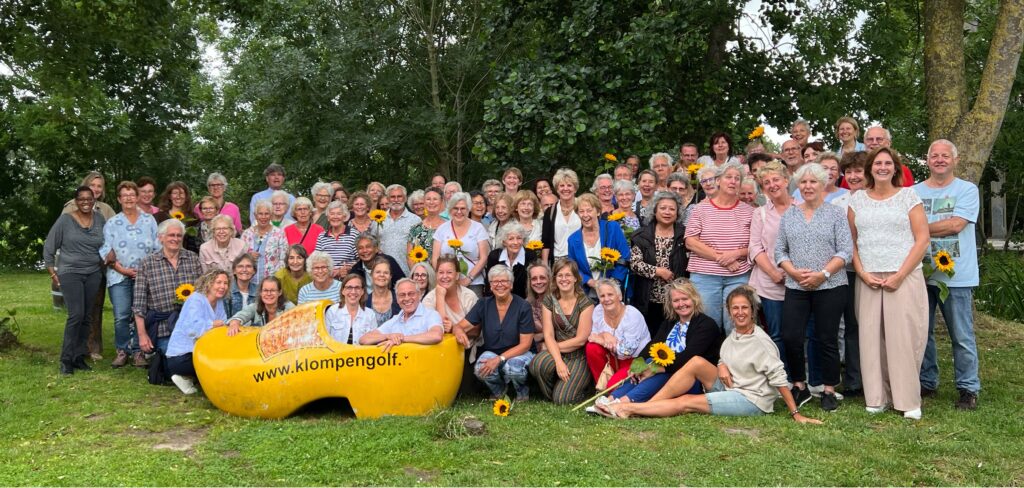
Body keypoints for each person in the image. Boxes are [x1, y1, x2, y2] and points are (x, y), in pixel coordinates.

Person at [598, 286, 820, 424]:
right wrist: (721, 365)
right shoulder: (734, 334)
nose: (740, 313)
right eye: (735, 308)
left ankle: (630, 408)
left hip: (750, 397)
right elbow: (723, 356)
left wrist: (795, 413)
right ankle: (637, 405)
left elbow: (778, 376)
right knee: (695, 362)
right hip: (730, 385)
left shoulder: (761, 341)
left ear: (753, 311)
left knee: (686, 402)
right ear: (729, 312)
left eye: (745, 308)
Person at [848, 147, 930, 420]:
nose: (882, 167)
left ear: (895, 168)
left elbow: (922, 239)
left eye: (887, 163)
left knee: (903, 338)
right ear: (870, 168)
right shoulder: (857, 200)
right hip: (869, 278)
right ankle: (876, 397)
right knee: (870, 338)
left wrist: (900, 275)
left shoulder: (908, 196)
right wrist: (862, 273)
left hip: (903, 276)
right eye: (877, 163)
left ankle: (907, 399)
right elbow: (852, 242)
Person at [775, 163, 853, 412]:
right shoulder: (790, 215)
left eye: (813, 182)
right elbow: (780, 250)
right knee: (791, 335)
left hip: (831, 285)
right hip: (796, 285)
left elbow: (846, 251)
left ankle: (828, 389)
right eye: (803, 182)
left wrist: (823, 274)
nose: (808, 186)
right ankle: (799, 385)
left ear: (823, 184)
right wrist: (793, 272)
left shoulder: (836, 214)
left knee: (826, 337)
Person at [914, 139, 981, 410]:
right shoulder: (914, 191)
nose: (939, 160)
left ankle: (968, 387)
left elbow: (956, 225)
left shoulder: (967, 190)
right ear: (927, 160)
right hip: (919, 273)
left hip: (957, 277)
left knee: (961, 335)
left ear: (955, 160)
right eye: (934, 156)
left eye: (945, 156)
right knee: (923, 333)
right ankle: (927, 381)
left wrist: (918, 227)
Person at [597, 279, 723, 407]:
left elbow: (688, 358)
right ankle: (611, 399)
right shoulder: (670, 322)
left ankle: (624, 403)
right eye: (676, 300)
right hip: (669, 373)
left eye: (685, 299)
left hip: (692, 380)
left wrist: (656, 369)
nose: (681, 304)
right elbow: (653, 345)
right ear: (671, 303)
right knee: (646, 363)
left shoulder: (706, 325)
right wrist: (637, 365)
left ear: (694, 299)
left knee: (660, 368)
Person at [684, 163, 754, 333]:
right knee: (707, 325)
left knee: (737, 324)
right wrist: (722, 258)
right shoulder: (700, 209)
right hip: (705, 276)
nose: (733, 181)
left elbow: (757, 245)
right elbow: (690, 242)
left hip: (738, 276)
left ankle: (736, 352)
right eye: (728, 177)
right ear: (718, 181)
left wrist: (736, 253)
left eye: (737, 178)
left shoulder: (750, 211)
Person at [45, 186, 107, 374]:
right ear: (76, 201)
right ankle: (66, 359)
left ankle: (79, 357)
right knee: (76, 315)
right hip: (70, 272)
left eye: (89, 198)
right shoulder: (65, 220)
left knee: (87, 316)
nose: (86, 202)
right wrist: (52, 272)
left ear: (94, 200)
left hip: (93, 273)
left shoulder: (100, 219)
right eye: (81, 199)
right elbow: (49, 246)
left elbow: (106, 243)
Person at [452, 265, 536, 400]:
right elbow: (459, 326)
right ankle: (499, 391)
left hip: (520, 353)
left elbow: (525, 345)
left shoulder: (523, 306)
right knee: (480, 368)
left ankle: (522, 392)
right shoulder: (483, 304)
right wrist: (458, 330)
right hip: (494, 352)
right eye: (495, 281)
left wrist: (499, 359)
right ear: (490, 286)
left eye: (504, 281)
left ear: (511, 285)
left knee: (513, 367)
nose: (499, 285)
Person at [101, 181, 161, 368]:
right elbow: (106, 249)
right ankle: (122, 351)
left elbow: (157, 247)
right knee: (121, 315)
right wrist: (121, 269)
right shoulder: (112, 223)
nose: (128, 198)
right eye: (124, 195)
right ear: (119, 199)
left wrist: (146, 271)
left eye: (132, 195)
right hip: (118, 275)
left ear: (137, 197)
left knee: (140, 313)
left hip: (144, 276)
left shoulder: (149, 220)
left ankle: (138, 352)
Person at [528, 259, 595, 405]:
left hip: (578, 356)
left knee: (563, 400)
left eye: (568, 275)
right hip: (558, 353)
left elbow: (581, 340)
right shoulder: (549, 300)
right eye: (560, 275)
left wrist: (550, 347)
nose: (564, 279)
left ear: (575, 278)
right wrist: (558, 361)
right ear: (555, 279)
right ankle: (556, 391)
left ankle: (578, 390)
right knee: (538, 364)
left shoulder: (586, 303)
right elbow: (548, 334)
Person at [133, 219, 203, 355]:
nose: (175, 239)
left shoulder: (193, 259)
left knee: (192, 359)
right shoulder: (148, 263)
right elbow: (138, 304)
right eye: (171, 235)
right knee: (173, 360)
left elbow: (202, 294)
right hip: (163, 329)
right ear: (161, 238)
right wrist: (142, 335)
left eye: (179, 235)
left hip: (190, 327)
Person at [747, 161, 792, 358]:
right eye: (766, 182)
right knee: (776, 334)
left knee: (800, 333)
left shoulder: (802, 208)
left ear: (786, 180)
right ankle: (781, 373)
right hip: (770, 283)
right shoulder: (761, 213)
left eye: (776, 180)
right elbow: (755, 247)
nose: (772, 185)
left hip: (799, 282)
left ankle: (802, 373)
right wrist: (774, 273)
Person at [630, 192, 688, 336]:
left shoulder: (685, 235)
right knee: (651, 337)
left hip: (677, 300)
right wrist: (658, 271)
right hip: (648, 299)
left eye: (672, 209)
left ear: (677, 213)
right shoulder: (641, 235)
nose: (667, 212)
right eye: (663, 208)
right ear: (655, 210)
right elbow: (635, 264)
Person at [165, 269, 229, 394]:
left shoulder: (219, 301)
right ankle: (185, 376)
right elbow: (193, 329)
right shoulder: (196, 299)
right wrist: (212, 324)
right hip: (182, 356)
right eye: (218, 282)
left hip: (202, 350)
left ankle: (189, 378)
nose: (222, 286)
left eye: (225, 283)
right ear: (208, 283)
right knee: (218, 365)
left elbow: (223, 325)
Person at [585, 279, 651, 390]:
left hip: (634, 360)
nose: (606, 299)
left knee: (613, 386)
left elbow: (627, 351)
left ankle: (610, 389)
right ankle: (601, 385)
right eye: (602, 296)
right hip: (613, 357)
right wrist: (604, 334)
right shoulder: (598, 311)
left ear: (619, 296)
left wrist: (603, 341)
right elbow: (592, 337)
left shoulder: (632, 315)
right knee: (592, 348)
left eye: (610, 294)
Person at [566, 193, 630, 297]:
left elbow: (625, 257)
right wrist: (589, 281)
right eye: (581, 211)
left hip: (614, 290)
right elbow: (573, 267)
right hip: (586, 293)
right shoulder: (573, 239)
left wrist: (612, 283)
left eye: (589, 210)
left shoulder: (612, 228)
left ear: (598, 211)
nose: (585, 215)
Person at [360, 279, 444, 353]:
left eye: (411, 294)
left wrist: (402, 338)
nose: (407, 298)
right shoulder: (395, 320)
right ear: (397, 299)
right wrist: (388, 336)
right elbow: (364, 339)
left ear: (419, 295)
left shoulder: (431, 315)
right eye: (402, 295)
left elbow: (436, 335)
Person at [432, 192, 490, 296]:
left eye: (463, 208)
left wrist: (469, 279)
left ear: (468, 209)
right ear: (450, 210)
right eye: (455, 208)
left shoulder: (478, 228)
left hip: (473, 283)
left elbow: (484, 258)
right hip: (447, 282)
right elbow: (435, 258)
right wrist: (444, 277)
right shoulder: (442, 229)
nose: (459, 212)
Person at [374, 184, 421, 276]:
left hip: (406, 271)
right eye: (392, 197)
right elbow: (373, 242)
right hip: (383, 272)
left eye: (399, 196)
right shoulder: (378, 219)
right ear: (388, 199)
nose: (396, 200)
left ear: (405, 198)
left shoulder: (415, 220)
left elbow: (419, 247)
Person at [484, 222, 538, 299]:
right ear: (504, 242)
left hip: (523, 300)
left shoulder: (530, 256)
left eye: (519, 238)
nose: (515, 242)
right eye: (511, 239)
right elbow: (489, 283)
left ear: (523, 240)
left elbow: (531, 285)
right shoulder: (494, 256)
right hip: (498, 299)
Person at [241, 199, 289, 284]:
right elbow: (240, 257)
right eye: (260, 214)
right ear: (255, 215)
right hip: (249, 282)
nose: (263, 217)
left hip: (272, 282)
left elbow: (284, 259)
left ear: (271, 215)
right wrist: (248, 256)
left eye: (266, 214)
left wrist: (277, 280)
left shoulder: (279, 234)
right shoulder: (247, 234)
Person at [226, 276, 295, 334]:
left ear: (279, 292)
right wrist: (235, 323)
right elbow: (240, 315)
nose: (269, 294)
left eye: (272, 290)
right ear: (261, 293)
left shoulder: (289, 308)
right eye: (265, 290)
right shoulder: (255, 306)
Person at [540, 168, 581, 264]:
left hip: (580, 259)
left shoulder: (583, 207)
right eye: (562, 185)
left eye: (569, 185)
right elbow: (546, 242)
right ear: (557, 189)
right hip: (558, 261)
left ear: (575, 189)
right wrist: (545, 265)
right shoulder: (550, 211)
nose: (565, 189)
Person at [324, 274, 378, 344]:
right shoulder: (332, 312)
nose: (353, 292)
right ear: (343, 291)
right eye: (349, 287)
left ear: (362, 291)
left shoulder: (370, 314)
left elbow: (374, 343)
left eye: (357, 288)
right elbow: (325, 341)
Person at [315, 201, 358, 279]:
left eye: (339, 214)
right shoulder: (321, 236)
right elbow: (317, 260)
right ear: (328, 217)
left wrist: (348, 268)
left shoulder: (354, 234)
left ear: (344, 217)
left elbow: (360, 259)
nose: (335, 217)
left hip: (348, 278)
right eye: (332, 214)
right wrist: (330, 272)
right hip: (327, 278)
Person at [407, 187, 447, 270]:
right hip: (421, 274)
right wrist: (417, 274)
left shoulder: (448, 227)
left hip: (443, 274)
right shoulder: (415, 229)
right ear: (424, 202)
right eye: (428, 199)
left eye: (435, 199)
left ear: (441, 202)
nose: (431, 202)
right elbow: (410, 256)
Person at [155, 181, 200, 253]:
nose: (178, 196)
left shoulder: (193, 218)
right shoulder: (158, 217)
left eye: (181, 193)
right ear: (169, 196)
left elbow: (196, 241)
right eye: (175, 193)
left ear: (186, 196)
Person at [366, 257, 402, 325]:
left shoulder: (399, 299)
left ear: (390, 276)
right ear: (371, 275)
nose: (382, 275)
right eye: (378, 272)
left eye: (386, 273)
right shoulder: (364, 301)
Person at [526, 261, 551, 351]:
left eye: (542, 278)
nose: (538, 282)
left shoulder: (559, 300)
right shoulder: (527, 304)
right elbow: (525, 338)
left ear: (549, 279)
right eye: (534, 279)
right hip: (536, 348)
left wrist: (540, 336)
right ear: (530, 282)